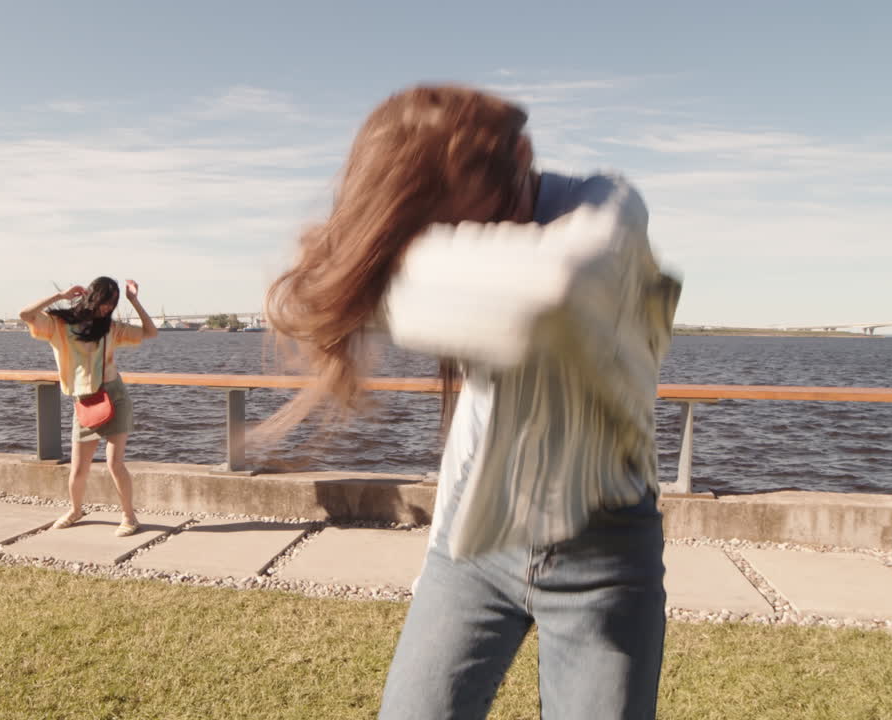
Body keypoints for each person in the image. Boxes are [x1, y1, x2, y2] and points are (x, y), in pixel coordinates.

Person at [261, 85, 681, 719]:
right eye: (442, 231)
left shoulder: (608, 208)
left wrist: (374, 266)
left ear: (523, 154)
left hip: (604, 553)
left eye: (482, 223)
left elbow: (553, 292)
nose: (474, 244)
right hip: (473, 544)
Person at [19, 277, 159, 536]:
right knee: (78, 468)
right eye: (105, 301)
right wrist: (60, 296)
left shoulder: (112, 328)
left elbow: (150, 332)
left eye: (113, 303)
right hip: (85, 401)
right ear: (92, 296)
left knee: (115, 463)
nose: (108, 308)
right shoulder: (59, 325)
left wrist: (134, 301)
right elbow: (25, 314)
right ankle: (75, 510)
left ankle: (129, 517)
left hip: (114, 397)